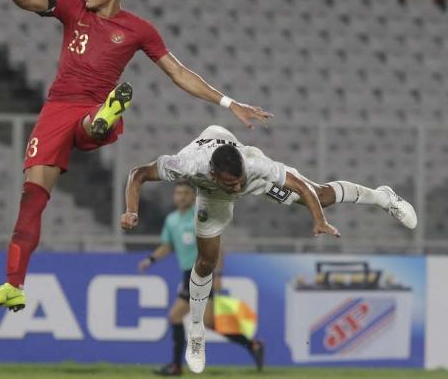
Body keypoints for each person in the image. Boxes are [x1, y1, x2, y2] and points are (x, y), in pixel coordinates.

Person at [0, 0, 272, 311]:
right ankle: (14, 285)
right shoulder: (72, 8)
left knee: (93, 123)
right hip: (56, 110)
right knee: (32, 199)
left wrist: (229, 103)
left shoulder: (138, 29)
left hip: (89, 105)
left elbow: (178, 73)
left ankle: (103, 117)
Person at [121, 125, 417, 374]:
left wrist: (319, 219)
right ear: (213, 174)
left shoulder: (253, 167)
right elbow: (138, 174)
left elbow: (300, 185)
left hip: (252, 177)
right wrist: (131, 210)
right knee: (206, 262)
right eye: (231, 184)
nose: (236, 190)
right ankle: (196, 334)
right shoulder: (186, 166)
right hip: (212, 196)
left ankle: (382, 198)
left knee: (322, 195)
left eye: (238, 183)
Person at [138, 180, 264, 376]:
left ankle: (175, 366)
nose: (181, 197)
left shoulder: (201, 216)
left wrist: (219, 273)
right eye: (178, 193)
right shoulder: (171, 220)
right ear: (174, 196)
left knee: (175, 316)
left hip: (201, 272)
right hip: (189, 273)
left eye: (186, 193)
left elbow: (219, 248)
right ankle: (253, 345)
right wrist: (151, 259)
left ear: (193, 196)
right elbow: (168, 245)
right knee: (210, 322)